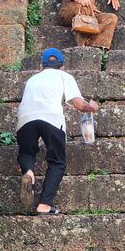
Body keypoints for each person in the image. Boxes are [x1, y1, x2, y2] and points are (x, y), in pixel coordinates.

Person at [17, 47, 99, 215]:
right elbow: (80, 105)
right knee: (57, 162)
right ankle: (44, 204)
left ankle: (29, 173)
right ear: (62, 66)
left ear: (41, 66)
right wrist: (93, 106)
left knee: (27, 152)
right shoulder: (64, 76)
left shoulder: (32, 78)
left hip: (25, 119)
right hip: (51, 119)